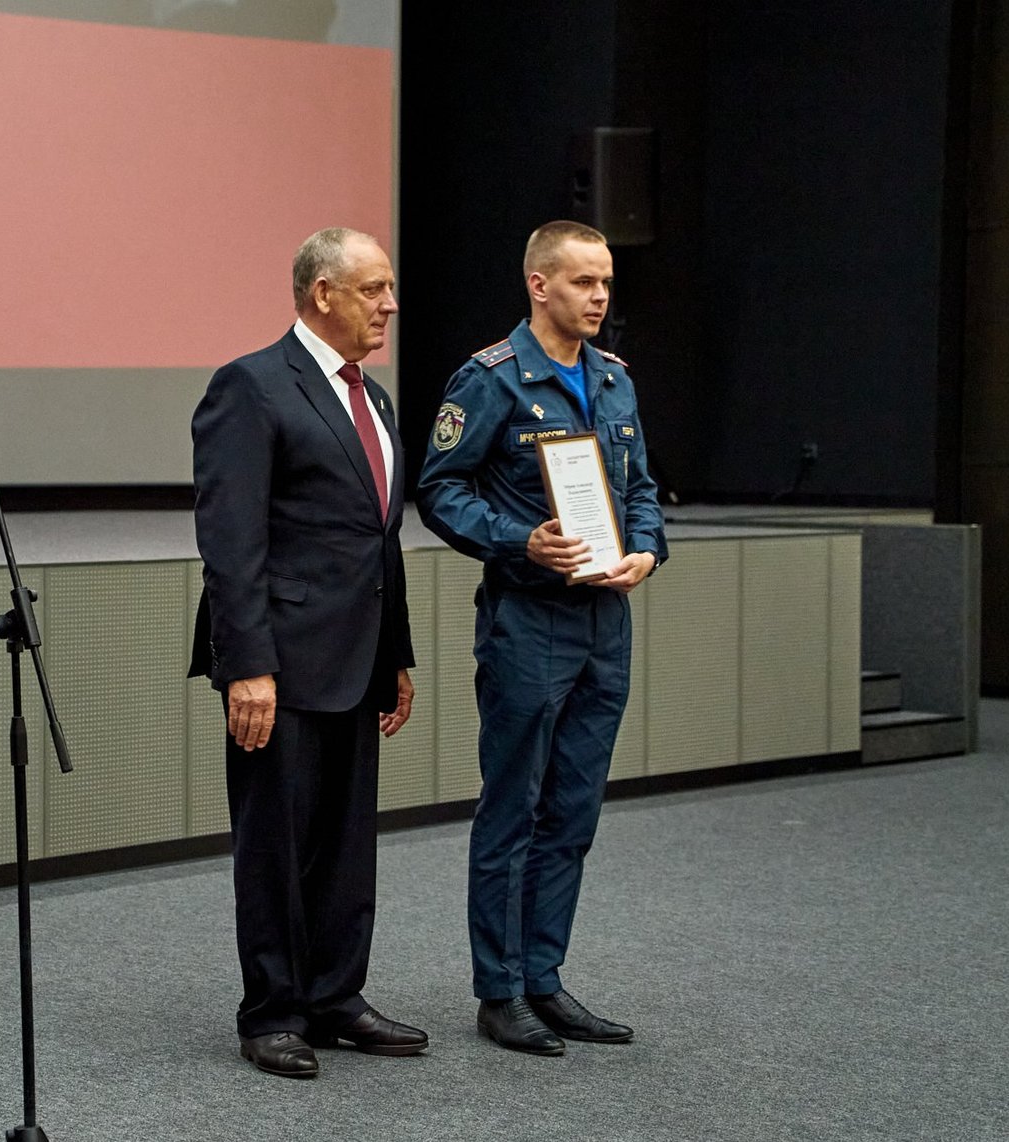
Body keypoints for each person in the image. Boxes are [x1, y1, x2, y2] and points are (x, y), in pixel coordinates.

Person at [416, 220, 667, 1055]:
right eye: (583, 282)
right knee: (514, 808)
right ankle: (500, 991)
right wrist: (519, 540)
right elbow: (441, 490)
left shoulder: (614, 379)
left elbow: (641, 486)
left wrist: (646, 550)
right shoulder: (491, 378)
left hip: (604, 621)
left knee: (573, 811)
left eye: (606, 282)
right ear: (539, 284)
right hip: (529, 619)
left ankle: (545, 978)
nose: (599, 297)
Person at [189, 227, 424, 1079]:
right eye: (373, 289)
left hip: (357, 661)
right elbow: (231, 543)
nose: (389, 304)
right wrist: (246, 664)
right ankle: (273, 1012)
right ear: (323, 293)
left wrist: (396, 653)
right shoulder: (251, 386)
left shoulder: (376, 399)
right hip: (280, 666)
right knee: (275, 846)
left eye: (389, 289)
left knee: (347, 844)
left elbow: (377, 542)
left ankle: (334, 997)